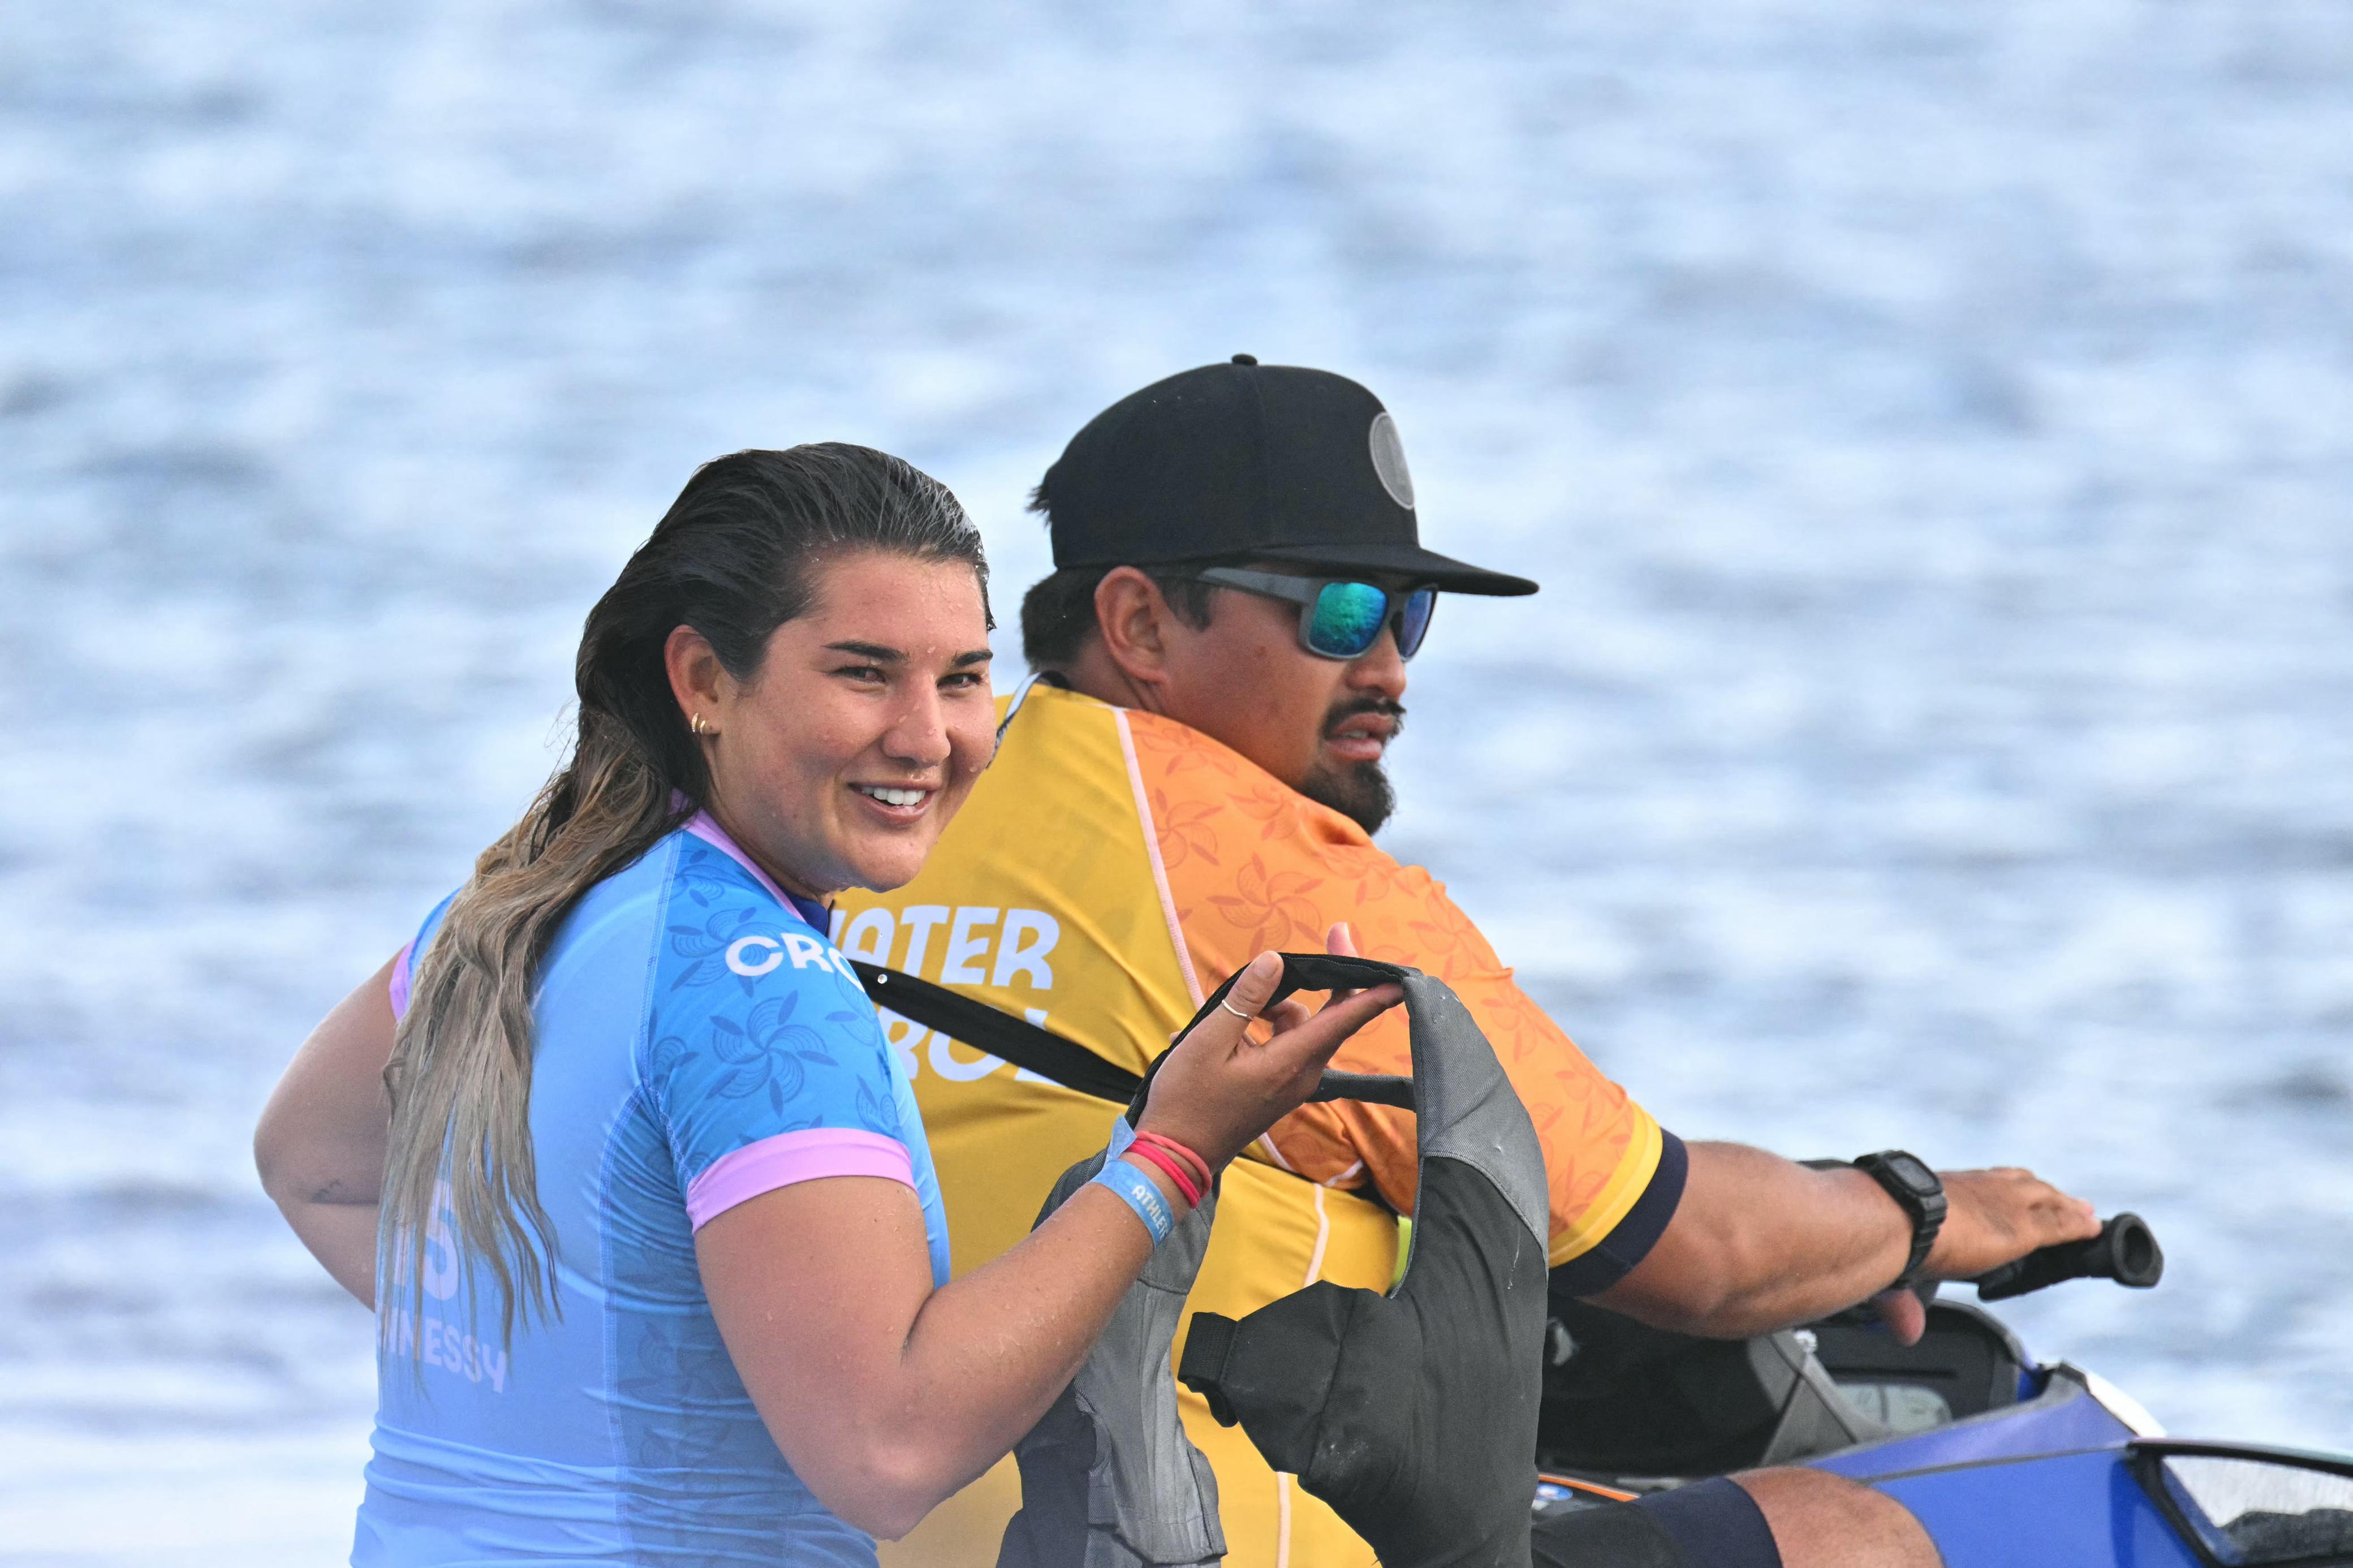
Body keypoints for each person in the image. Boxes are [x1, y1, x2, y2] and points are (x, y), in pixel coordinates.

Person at [832, 360, 2103, 1568]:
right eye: (1337, 611)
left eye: (1409, 616)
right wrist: (1920, 1212)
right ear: (1139, 623)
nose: (1385, 667)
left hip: (878, 1535)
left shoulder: (894, 821)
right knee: (1853, 1535)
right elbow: (1692, 1246)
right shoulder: (1277, 879)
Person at [251, 444, 1405, 1566]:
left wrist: (609, 1368)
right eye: (863, 672)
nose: (927, 737)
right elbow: (887, 1453)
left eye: (962, 677)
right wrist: (1170, 1153)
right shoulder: (763, 988)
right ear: (704, 679)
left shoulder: (525, 900)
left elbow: (314, 1163)